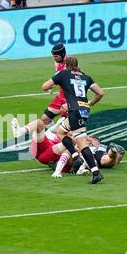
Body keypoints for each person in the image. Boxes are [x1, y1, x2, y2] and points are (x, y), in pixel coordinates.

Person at [42, 56, 105, 184]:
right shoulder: (85, 77)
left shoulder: (63, 74)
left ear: (66, 65)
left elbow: (44, 86)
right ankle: (90, 168)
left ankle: (82, 162)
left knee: (71, 139)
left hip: (74, 111)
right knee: (65, 134)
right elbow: (100, 93)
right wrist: (90, 103)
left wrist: (54, 84)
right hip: (84, 111)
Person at [41, 44, 68, 126]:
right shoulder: (57, 63)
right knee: (45, 119)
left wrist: (48, 86)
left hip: (70, 98)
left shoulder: (70, 65)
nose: (54, 58)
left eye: (56, 56)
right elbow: (57, 76)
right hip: (61, 96)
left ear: (62, 55)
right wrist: (52, 85)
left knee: (66, 125)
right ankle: (57, 136)